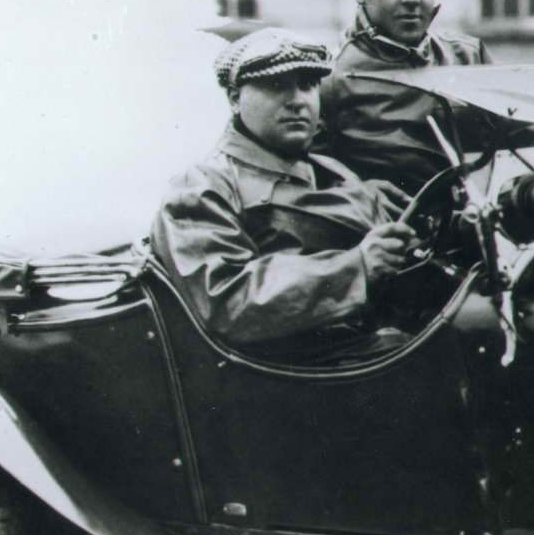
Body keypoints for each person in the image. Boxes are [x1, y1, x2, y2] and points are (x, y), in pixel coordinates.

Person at [152, 28, 417, 352]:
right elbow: (228, 300)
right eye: (276, 86)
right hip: (315, 363)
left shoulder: (329, 169)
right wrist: (355, 267)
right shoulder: (202, 187)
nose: (297, 101)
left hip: (381, 337)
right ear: (235, 98)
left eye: (307, 85)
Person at [319, 0, 499, 195]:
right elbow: (311, 177)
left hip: (474, 214)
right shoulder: (327, 75)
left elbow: (528, 144)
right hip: (383, 218)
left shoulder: (468, 56)